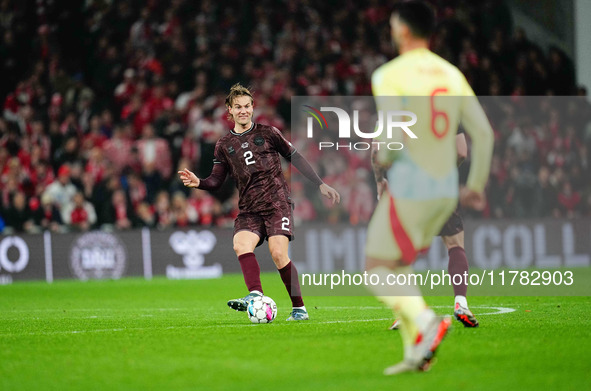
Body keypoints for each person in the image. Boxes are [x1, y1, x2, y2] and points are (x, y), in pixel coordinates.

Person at [366, 1, 493, 375]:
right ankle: (414, 354)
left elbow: (389, 140)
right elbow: (483, 135)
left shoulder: (389, 74)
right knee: (400, 264)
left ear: (403, 30)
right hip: (446, 190)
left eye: (392, 25)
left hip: (410, 186)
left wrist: (384, 160)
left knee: (375, 267)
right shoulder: (451, 74)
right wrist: (476, 185)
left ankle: (424, 322)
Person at [179, 83, 340, 321]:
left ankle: (299, 309)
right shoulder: (224, 145)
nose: (243, 111)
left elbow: (295, 157)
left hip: (277, 203)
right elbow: (216, 181)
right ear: (229, 110)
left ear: (253, 108)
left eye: (247, 106)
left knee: (278, 254)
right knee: (240, 245)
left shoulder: (269, 133)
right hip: (249, 209)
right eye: (238, 107)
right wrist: (199, 182)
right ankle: (255, 294)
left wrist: (320, 183)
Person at [390, 132, 479, 330]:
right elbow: (462, 152)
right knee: (455, 244)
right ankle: (461, 304)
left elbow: (384, 152)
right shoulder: (447, 106)